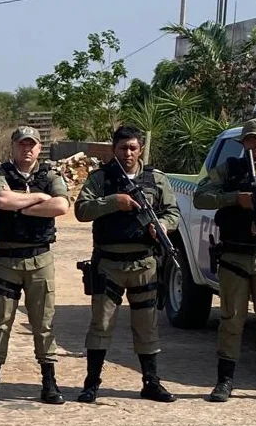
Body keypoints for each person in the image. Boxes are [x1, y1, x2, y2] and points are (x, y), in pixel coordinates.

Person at [74, 125, 180, 404]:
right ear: (114, 149)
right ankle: (91, 383)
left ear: (140, 149)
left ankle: (151, 382)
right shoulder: (101, 178)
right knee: (101, 324)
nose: (128, 153)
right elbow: (82, 210)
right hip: (108, 263)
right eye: (123, 148)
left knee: (146, 325)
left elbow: (172, 212)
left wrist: (165, 227)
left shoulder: (156, 179)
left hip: (144, 263)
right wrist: (114, 202)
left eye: (133, 148)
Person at [193, 118, 256, 403]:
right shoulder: (228, 171)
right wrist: (236, 199)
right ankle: (224, 382)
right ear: (243, 142)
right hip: (234, 255)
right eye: (250, 140)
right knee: (231, 320)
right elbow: (201, 197)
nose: (255, 146)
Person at [0, 126, 70, 405]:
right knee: (1, 321)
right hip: (7, 259)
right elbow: (1, 199)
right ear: (13, 147)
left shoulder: (51, 175)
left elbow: (62, 206)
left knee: (43, 322)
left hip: (40, 258)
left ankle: (49, 382)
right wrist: (40, 199)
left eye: (32, 145)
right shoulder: (1, 174)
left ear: (39, 148)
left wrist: (23, 206)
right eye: (21, 145)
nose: (26, 149)